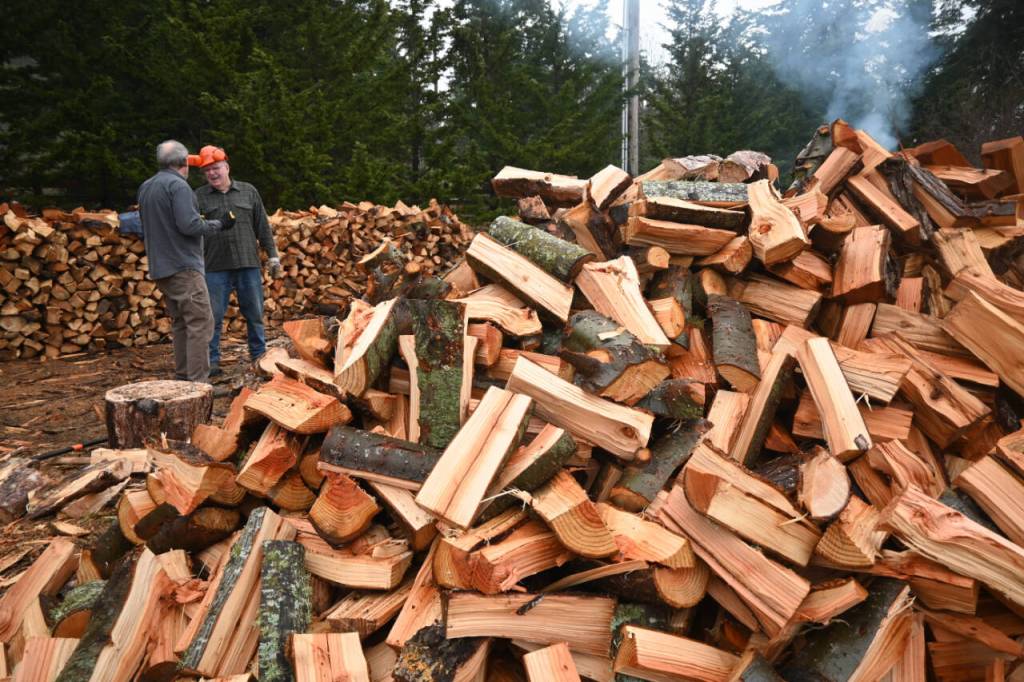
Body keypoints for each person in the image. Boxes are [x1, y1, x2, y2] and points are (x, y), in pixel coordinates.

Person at [137, 140, 235, 382]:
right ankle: (198, 385)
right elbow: (189, 225)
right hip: (184, 266)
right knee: (201, 322)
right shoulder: (178, 187)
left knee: (182, 323)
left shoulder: (147, 187)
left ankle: (183, 379)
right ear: (185, 163)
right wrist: (219, 224)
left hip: (161, 267)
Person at [191, 145, 281, 376]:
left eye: (216, 168)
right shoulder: (198, 196)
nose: (212, 173)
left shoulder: (248, 192)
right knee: (213, 317)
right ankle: (211, 362)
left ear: (227, 167)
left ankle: (259, 356)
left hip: (247, 263)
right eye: (207, 170)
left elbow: (262, 226)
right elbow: (191, 230)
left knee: (254, 313)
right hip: (214, 266)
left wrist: (272, 256)